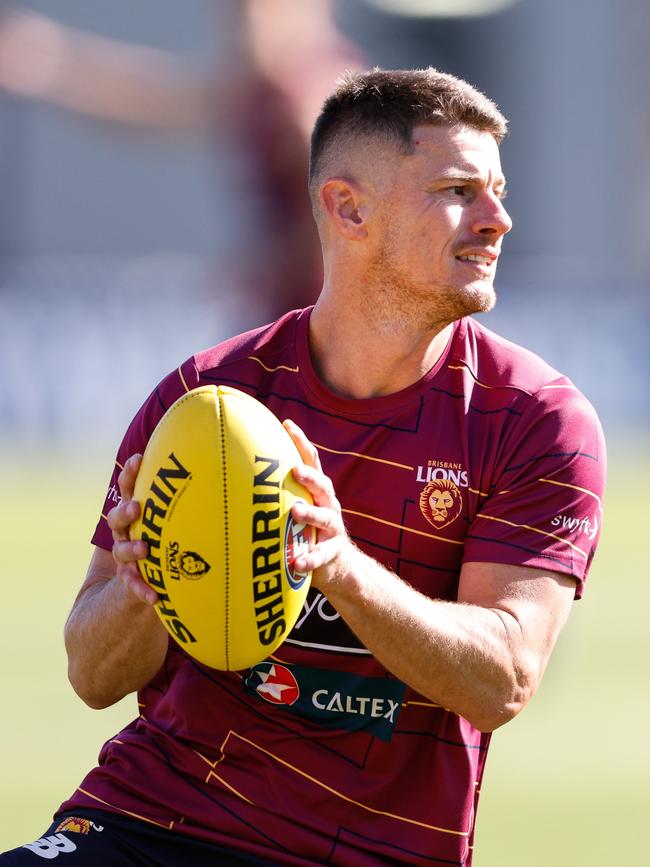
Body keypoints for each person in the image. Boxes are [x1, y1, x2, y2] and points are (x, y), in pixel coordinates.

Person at [1, 68, 606, 865]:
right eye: (460, 190)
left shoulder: (536, 419)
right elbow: (92, 673)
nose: (498, 219)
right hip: (152, 819)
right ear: (348, 208)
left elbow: (503, 678)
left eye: (496, 190)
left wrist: (340, 567)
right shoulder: (206, 399)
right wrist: (139, 585)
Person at [0, 0, 364, 321]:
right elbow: (154, 101)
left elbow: (351, 223)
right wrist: (51, 62)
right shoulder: (262, 83)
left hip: (320, 338)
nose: (245, 24)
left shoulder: (307, 96)